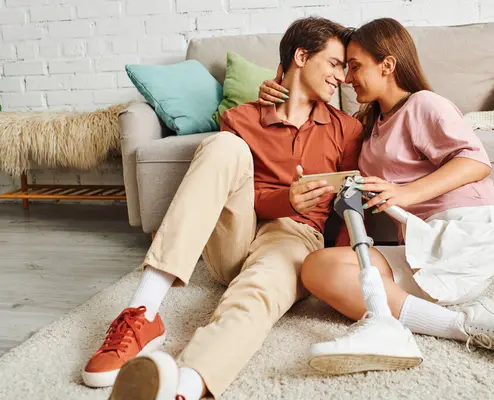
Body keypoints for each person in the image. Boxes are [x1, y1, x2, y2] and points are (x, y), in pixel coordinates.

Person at [82, 17, 422, 400]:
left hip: (293, 239)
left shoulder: (346, 130)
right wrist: (283, 197)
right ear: (300, 56)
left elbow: (349, 204)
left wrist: (334, 270)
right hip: (234, 236)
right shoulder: (241, 118)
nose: (342, 77)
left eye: (346, 68)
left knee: (256, 293)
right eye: (334, 64)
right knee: (223, 147)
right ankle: (143, 312)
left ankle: (186, 386)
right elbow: (229, 190)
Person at [259, 17, 494, 374]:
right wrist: (277, 88)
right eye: (343, 67)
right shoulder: (371, 125)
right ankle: (461, 325)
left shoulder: (424, 105)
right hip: (427, 246)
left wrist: (405, 193)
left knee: (335, 270)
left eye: (355, 66)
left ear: (387, 65)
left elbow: (476, 161)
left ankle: (396, 323)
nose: (346, 77)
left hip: (468, 230)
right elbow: (320, 123)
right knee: (318, 269)